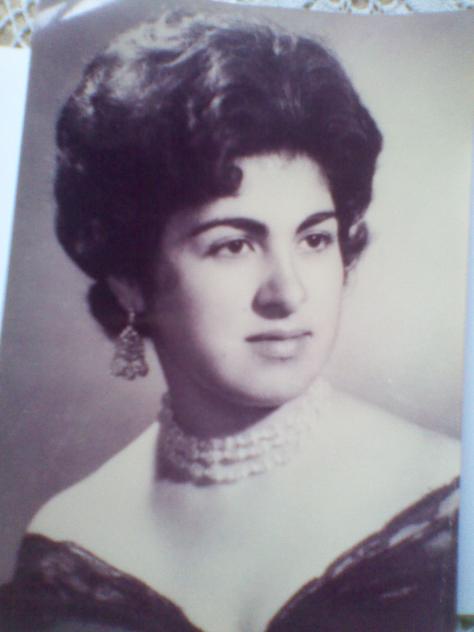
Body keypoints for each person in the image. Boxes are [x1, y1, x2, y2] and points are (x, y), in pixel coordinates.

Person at [0, 8, 460, 632]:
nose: (288, 292)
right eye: (233, 245)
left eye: (314, 239)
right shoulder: (69, 540)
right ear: (130, 277)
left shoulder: (446, 493)